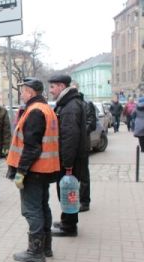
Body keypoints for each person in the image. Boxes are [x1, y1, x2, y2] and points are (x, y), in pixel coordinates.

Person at [7, 77, 60, 261]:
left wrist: (21, 172)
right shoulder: (46, 109)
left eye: (23, 91)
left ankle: (35, 252)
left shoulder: (35, 111)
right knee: (42, 207)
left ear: (30, 92)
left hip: (34, 171)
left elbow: (32, 147)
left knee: (31, 210)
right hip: (45, 170)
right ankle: (46, 248)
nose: (21, 94)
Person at [48, 74, 88, 237]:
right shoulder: (68, 103)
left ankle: (69, 227)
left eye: (52, 87)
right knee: (66, 190)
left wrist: (68, 163)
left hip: (69, 160)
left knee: (67, 190)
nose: (50, 90)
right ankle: (67, 220)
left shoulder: (70, 106)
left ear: (61, 87)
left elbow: (69, 137)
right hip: (70, 158)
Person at [70, 81, 96, 212]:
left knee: (84, 175)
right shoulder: (69, 105)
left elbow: (92, 123)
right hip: (71, 146)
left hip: (83, 145)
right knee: (71, 175)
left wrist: (79, 132)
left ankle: (85, 202)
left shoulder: (87, 104)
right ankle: (72, 200)